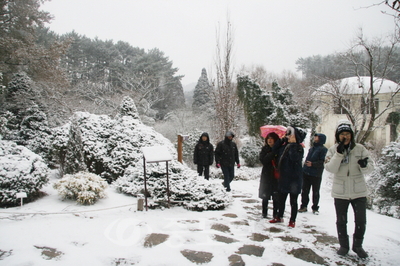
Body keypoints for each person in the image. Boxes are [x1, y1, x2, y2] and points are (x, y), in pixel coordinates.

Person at [324, 119, 374, 258]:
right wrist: (339, 154)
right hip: (340, 192)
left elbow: (370, 168)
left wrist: (364, 165)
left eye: (347, 134)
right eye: (341, 134)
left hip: (359, 191)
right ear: (337, 136)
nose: (344, 136)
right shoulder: (332, 150)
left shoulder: (360, 149)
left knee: (361, 221)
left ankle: (358, 246)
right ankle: (344, 246)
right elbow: (330, 168)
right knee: (341, 221)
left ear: (352, 135)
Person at [269, 126, 306, 228]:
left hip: (294, 179)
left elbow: (294, 158)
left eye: (291, 135)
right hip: (284, 177)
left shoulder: (298, 148)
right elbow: (274, 149)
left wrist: (294, 144)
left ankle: (292, 220)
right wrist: (282, 140)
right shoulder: (285, 146)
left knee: (293, 201)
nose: (289, 136)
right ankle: (279, 216)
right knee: (282, 199)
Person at [298, 133, 328, 215]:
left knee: (315, 191)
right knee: (304, 190)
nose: (315, 138)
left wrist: (313, 164)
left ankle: (315, 207)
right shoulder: (312, 149)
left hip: (316, 174)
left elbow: (323, 162)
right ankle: (303, 206)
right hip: (306, 172)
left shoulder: (323, 150)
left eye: (317, 137)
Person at [259, 132, 280, 219]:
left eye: (272, 138)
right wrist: (272, 153)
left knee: (276, 196)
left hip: (276, 175)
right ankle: (264, 212)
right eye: (268, 138)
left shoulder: (280, 150)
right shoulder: (265, 149)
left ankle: (275, 213)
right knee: (265, 195)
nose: (270, 140)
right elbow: (264, 160)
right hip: (266, 175)